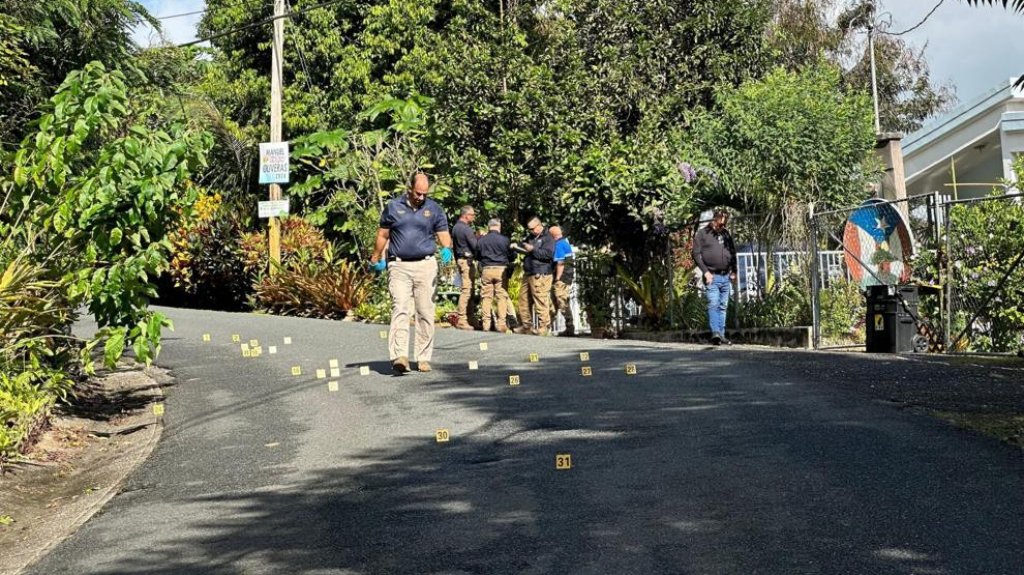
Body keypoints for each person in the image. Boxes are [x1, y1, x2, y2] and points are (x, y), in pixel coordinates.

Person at [370, 172, 454, 373]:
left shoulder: (433, 209)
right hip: (399, 266)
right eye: (418, 193)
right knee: (400, 308)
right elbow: (382, 234)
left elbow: (443, 233)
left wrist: (446, 249)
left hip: (425, 265)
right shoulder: (393, 207)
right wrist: (375, 257)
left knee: (425, 311)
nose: (421, 197)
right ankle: (400, 356)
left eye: (425, 194)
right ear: (409, 188)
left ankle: (423, 357)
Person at [692, 209, 736, 345]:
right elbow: (695, 254)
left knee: (723, 306)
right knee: (713, 304)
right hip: (712, 276)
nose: (723, 226)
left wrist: (734, 270)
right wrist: (705, 272)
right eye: (720, 223)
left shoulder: (725, 234)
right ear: (714, 219)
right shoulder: (702, 234)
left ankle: (721, 335)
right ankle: (715, 332)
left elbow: (732, 252)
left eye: (725, 223)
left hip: (725, 276)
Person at [514, 217, 555, 335]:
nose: (531, 231)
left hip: (540, 272)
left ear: (539, 225)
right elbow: (524, 247)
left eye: (532, 229)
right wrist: (517, 246)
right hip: (529, 272)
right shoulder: (531, 237)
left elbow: (548, 254)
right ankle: (526, 326)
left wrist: (533, 249)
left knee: (540, 299)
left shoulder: (548, 238)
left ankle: (544, 326)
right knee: (523, 299)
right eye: (529, 229)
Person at [476, 218, 514, 332]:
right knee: (501, 297)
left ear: (489, 227)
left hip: (487, 269)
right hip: (501, 270)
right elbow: (512, 256)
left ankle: (486, 324)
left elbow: (477, 255)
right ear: (499, 226)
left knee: (486, 297)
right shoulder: (505, 240)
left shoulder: (482, 240)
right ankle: (501, 324)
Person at [451, 205, 478, 330]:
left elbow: (455, 248)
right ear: (466, 215)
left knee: (469, 289)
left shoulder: (456, 227)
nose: (473, 217)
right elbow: (475, 245)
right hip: (466, 262)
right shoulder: (466, 229)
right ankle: (462, 318)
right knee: (467, 290)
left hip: (461, 260)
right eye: (472, 215)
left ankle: (470, 317)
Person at [548, 225, 576, 336]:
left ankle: (570, 327)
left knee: (561, 301)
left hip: (563, 278)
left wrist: (557, 278)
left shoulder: (559, 245)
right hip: (567, 277)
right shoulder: (564, 242)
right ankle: (547, 326)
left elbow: (560, 263)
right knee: (554, 301)